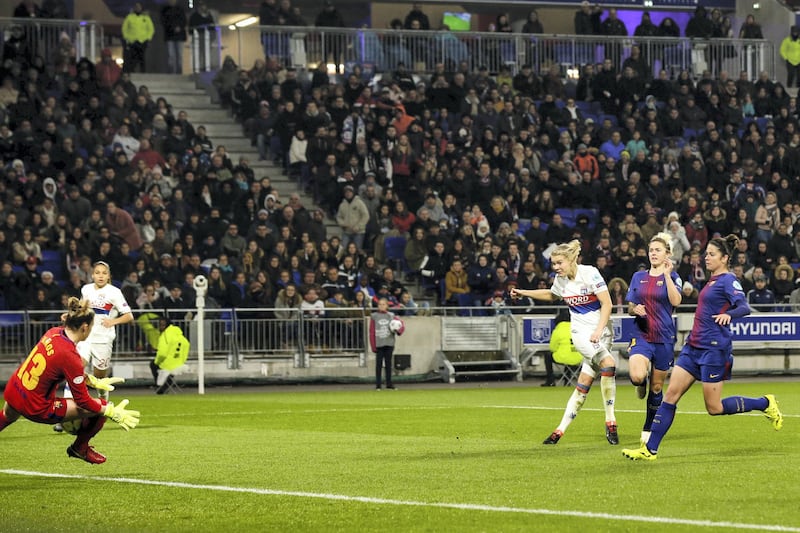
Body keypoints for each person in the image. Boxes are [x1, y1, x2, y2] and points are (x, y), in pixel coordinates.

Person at [622, 235, 783, 462]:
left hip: (714, 349)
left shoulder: (728, 280)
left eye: (712, 254)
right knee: (670, 395)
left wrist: (729, 314)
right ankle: (650, 449)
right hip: (693, 347)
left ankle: (765, 402)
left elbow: (743, 306)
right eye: (706, 253)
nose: (706, 257)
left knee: (714, 407)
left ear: (724, 258)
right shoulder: (711, 280)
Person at [1, 298, 140, 464]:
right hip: (36, 407)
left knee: (6, 417)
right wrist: (110, 411)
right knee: (99, 407)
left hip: (15, 389)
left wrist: (92, 381)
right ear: (85, 327)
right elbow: (83, 400)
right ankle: (80, 448)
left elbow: (55, 368)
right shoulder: (70, 355)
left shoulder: (53, 332)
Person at [510, 240, 619, 445]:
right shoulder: (561, 281)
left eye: (559, 263)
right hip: (581, 334)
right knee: (609, 365)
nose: (556, 268)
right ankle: (611, 421)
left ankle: (559, 431)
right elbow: (551, 295)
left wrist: (599, 330)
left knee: (583, 386)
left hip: (603, 333)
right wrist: (524, 292)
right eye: (553, 264)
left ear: (571, 260)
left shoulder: (590, 273)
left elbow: (607, 303)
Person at [625, 232, 682, 446]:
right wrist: (634, 309)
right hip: (641, 334)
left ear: (667, 254)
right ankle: (640, 382)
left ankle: (648, 426)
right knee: (638, 376)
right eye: (651, 250)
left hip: (664, 337)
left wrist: (667, 275)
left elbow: (676, 300)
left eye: (658, 250)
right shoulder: (638, 276)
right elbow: (630, 305)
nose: (653, 254)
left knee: (656, 388)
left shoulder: (674, 277)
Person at [369, 296, 405, 390]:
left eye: (383, 304)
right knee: (378, 365)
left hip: (389, 343)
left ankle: (389, 384)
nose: (381, 306)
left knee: (388, 364)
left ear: (387, 306)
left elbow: (401, 326)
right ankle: (378, 384)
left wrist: (398, 331)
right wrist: (373, 345)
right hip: (379, 343)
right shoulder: (374, 316)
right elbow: (372, 331)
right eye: (380, 304)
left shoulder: (391, 315)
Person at [542, 307, 582, 386]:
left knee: (548, 355)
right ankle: (567, 380)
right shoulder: (579, 329)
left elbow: (552, 348)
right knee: (570, 354)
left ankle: (550, 380)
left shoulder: (557, 330)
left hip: (563, 358)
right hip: (578, 358)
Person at [149, 316, 190, 394]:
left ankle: (159, 385)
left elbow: (162, 354)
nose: (160, 327)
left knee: (153, 364)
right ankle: (166, 382)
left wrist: (157, 362)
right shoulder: (179, 334)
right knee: (169, 370)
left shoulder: (165, 336)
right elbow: (186, 346)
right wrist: (182, 360)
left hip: (168, 364)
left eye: (162, 325)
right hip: (179, 364)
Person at [122, 2, 155, 73]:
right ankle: (132, 71)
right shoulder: (129, 17)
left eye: (139, 6)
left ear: (141, 8)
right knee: (132, 58)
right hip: (132, 41)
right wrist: (127, 38)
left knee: (142, 58)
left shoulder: (146, 18)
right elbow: (124, 29)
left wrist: (148, 38)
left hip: (142, 41)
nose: (137, 8)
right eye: (136, 6)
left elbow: (151, 29)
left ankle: (143, 72)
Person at [161, 0, 187, 74]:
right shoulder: (165, 10)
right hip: (170, 36)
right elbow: (164, 22)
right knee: (171, 55)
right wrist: (172, 28)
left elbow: (184, 21)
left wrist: (179, 28)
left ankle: (179, 71)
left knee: (179, 55)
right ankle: (171, 71)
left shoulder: (181, 9)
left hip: (180, 36)